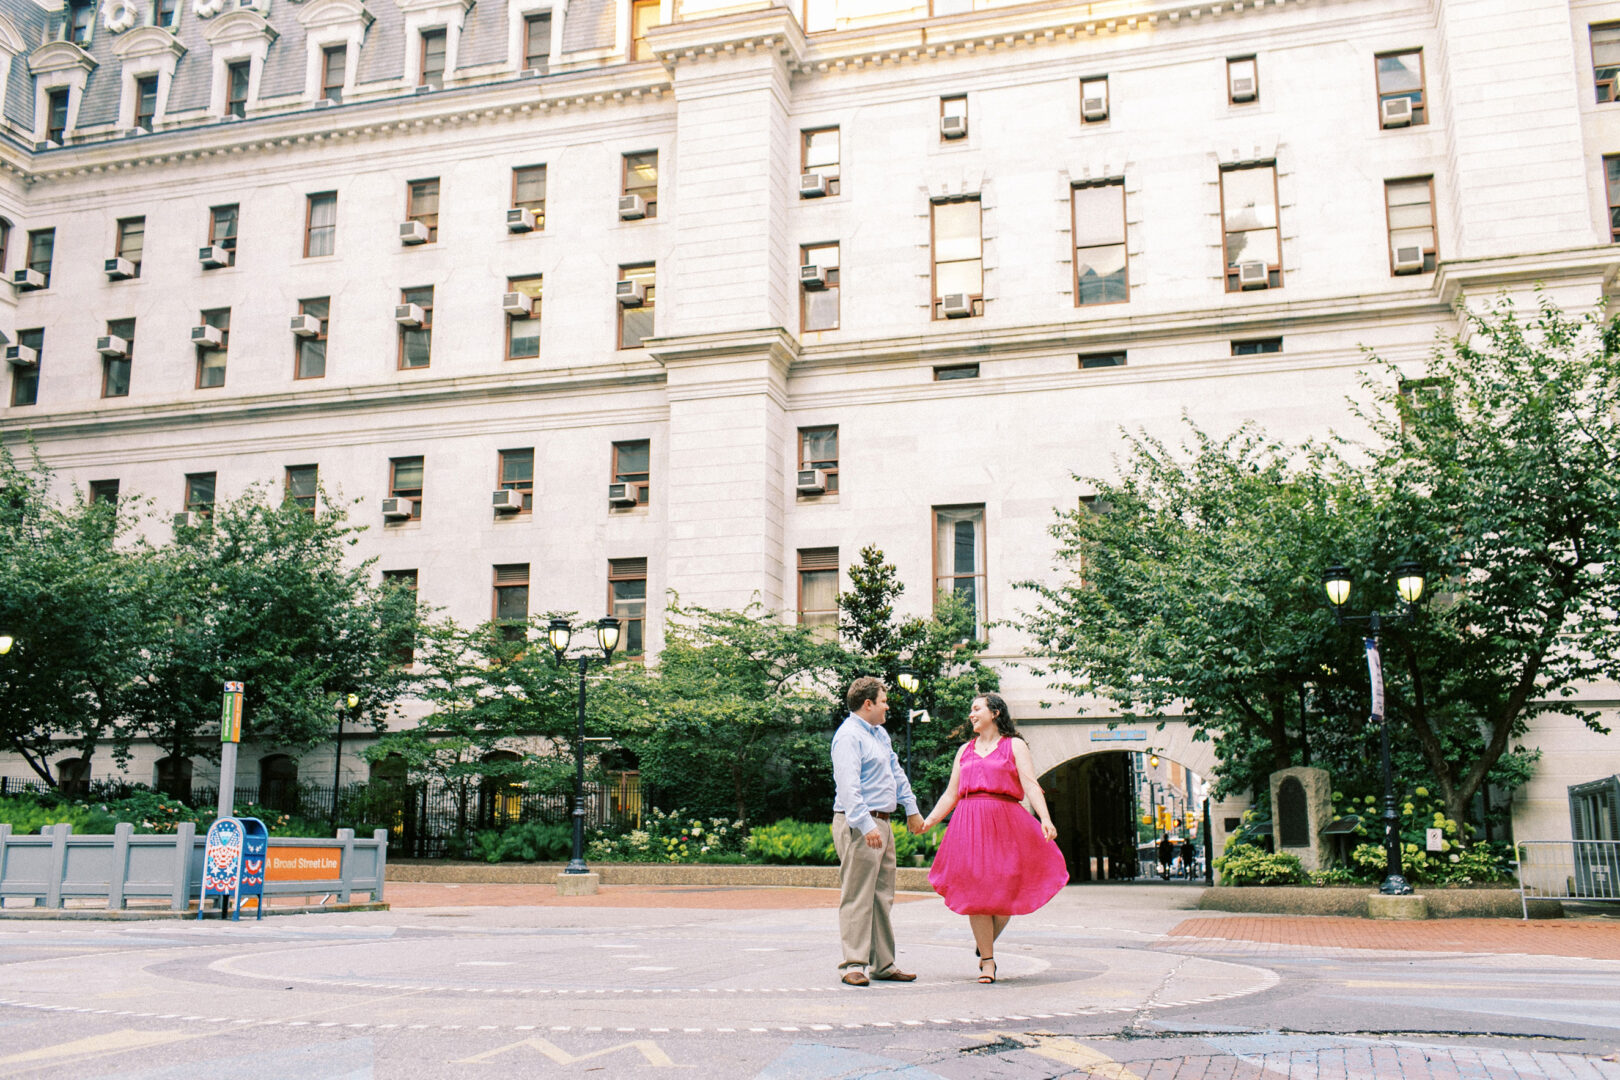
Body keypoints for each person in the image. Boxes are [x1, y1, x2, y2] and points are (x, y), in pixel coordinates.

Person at [922, 693, 1068, 984]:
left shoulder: (1014, 745)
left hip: (1006, 822)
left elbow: (1029, 783)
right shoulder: (964, 750)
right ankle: (987, 961)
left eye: (977, 708)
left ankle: (984, 940)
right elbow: (951, 793)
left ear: (996, 712)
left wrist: (1046, 818)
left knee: (1006, 887)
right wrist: (928, 821)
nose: (971, 714)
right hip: (968, 823)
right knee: (976, 893)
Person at [830, 676, 926, 987]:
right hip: (860, 822)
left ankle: (884, 963)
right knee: (858, 895)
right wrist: (866, 824)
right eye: (883, 700)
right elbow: (848, 787)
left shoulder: (879, 734)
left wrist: (911, 809)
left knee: (882, 896)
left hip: (882, 821)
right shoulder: (848, 737)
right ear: (868, 703)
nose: (887, 706)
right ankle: (854, 965)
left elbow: (896, 772)